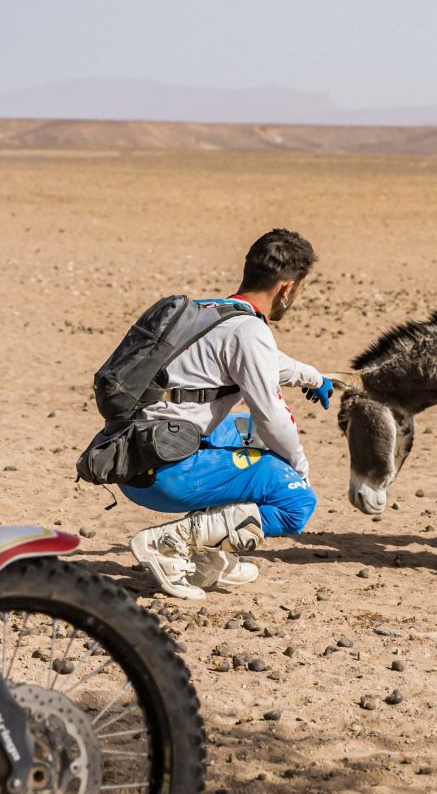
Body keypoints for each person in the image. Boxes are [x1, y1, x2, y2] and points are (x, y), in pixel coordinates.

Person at [123, 228, 332, 599]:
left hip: (132, 450)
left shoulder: (207, 311)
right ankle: (170, 543)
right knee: (296, 502)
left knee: (245, 431)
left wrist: (313, 377)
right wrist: (298, 471)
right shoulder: (248, 330)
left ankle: (207, 556)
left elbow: (266, 363)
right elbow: (271, 414)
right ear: (287, 288)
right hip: (164, 471)